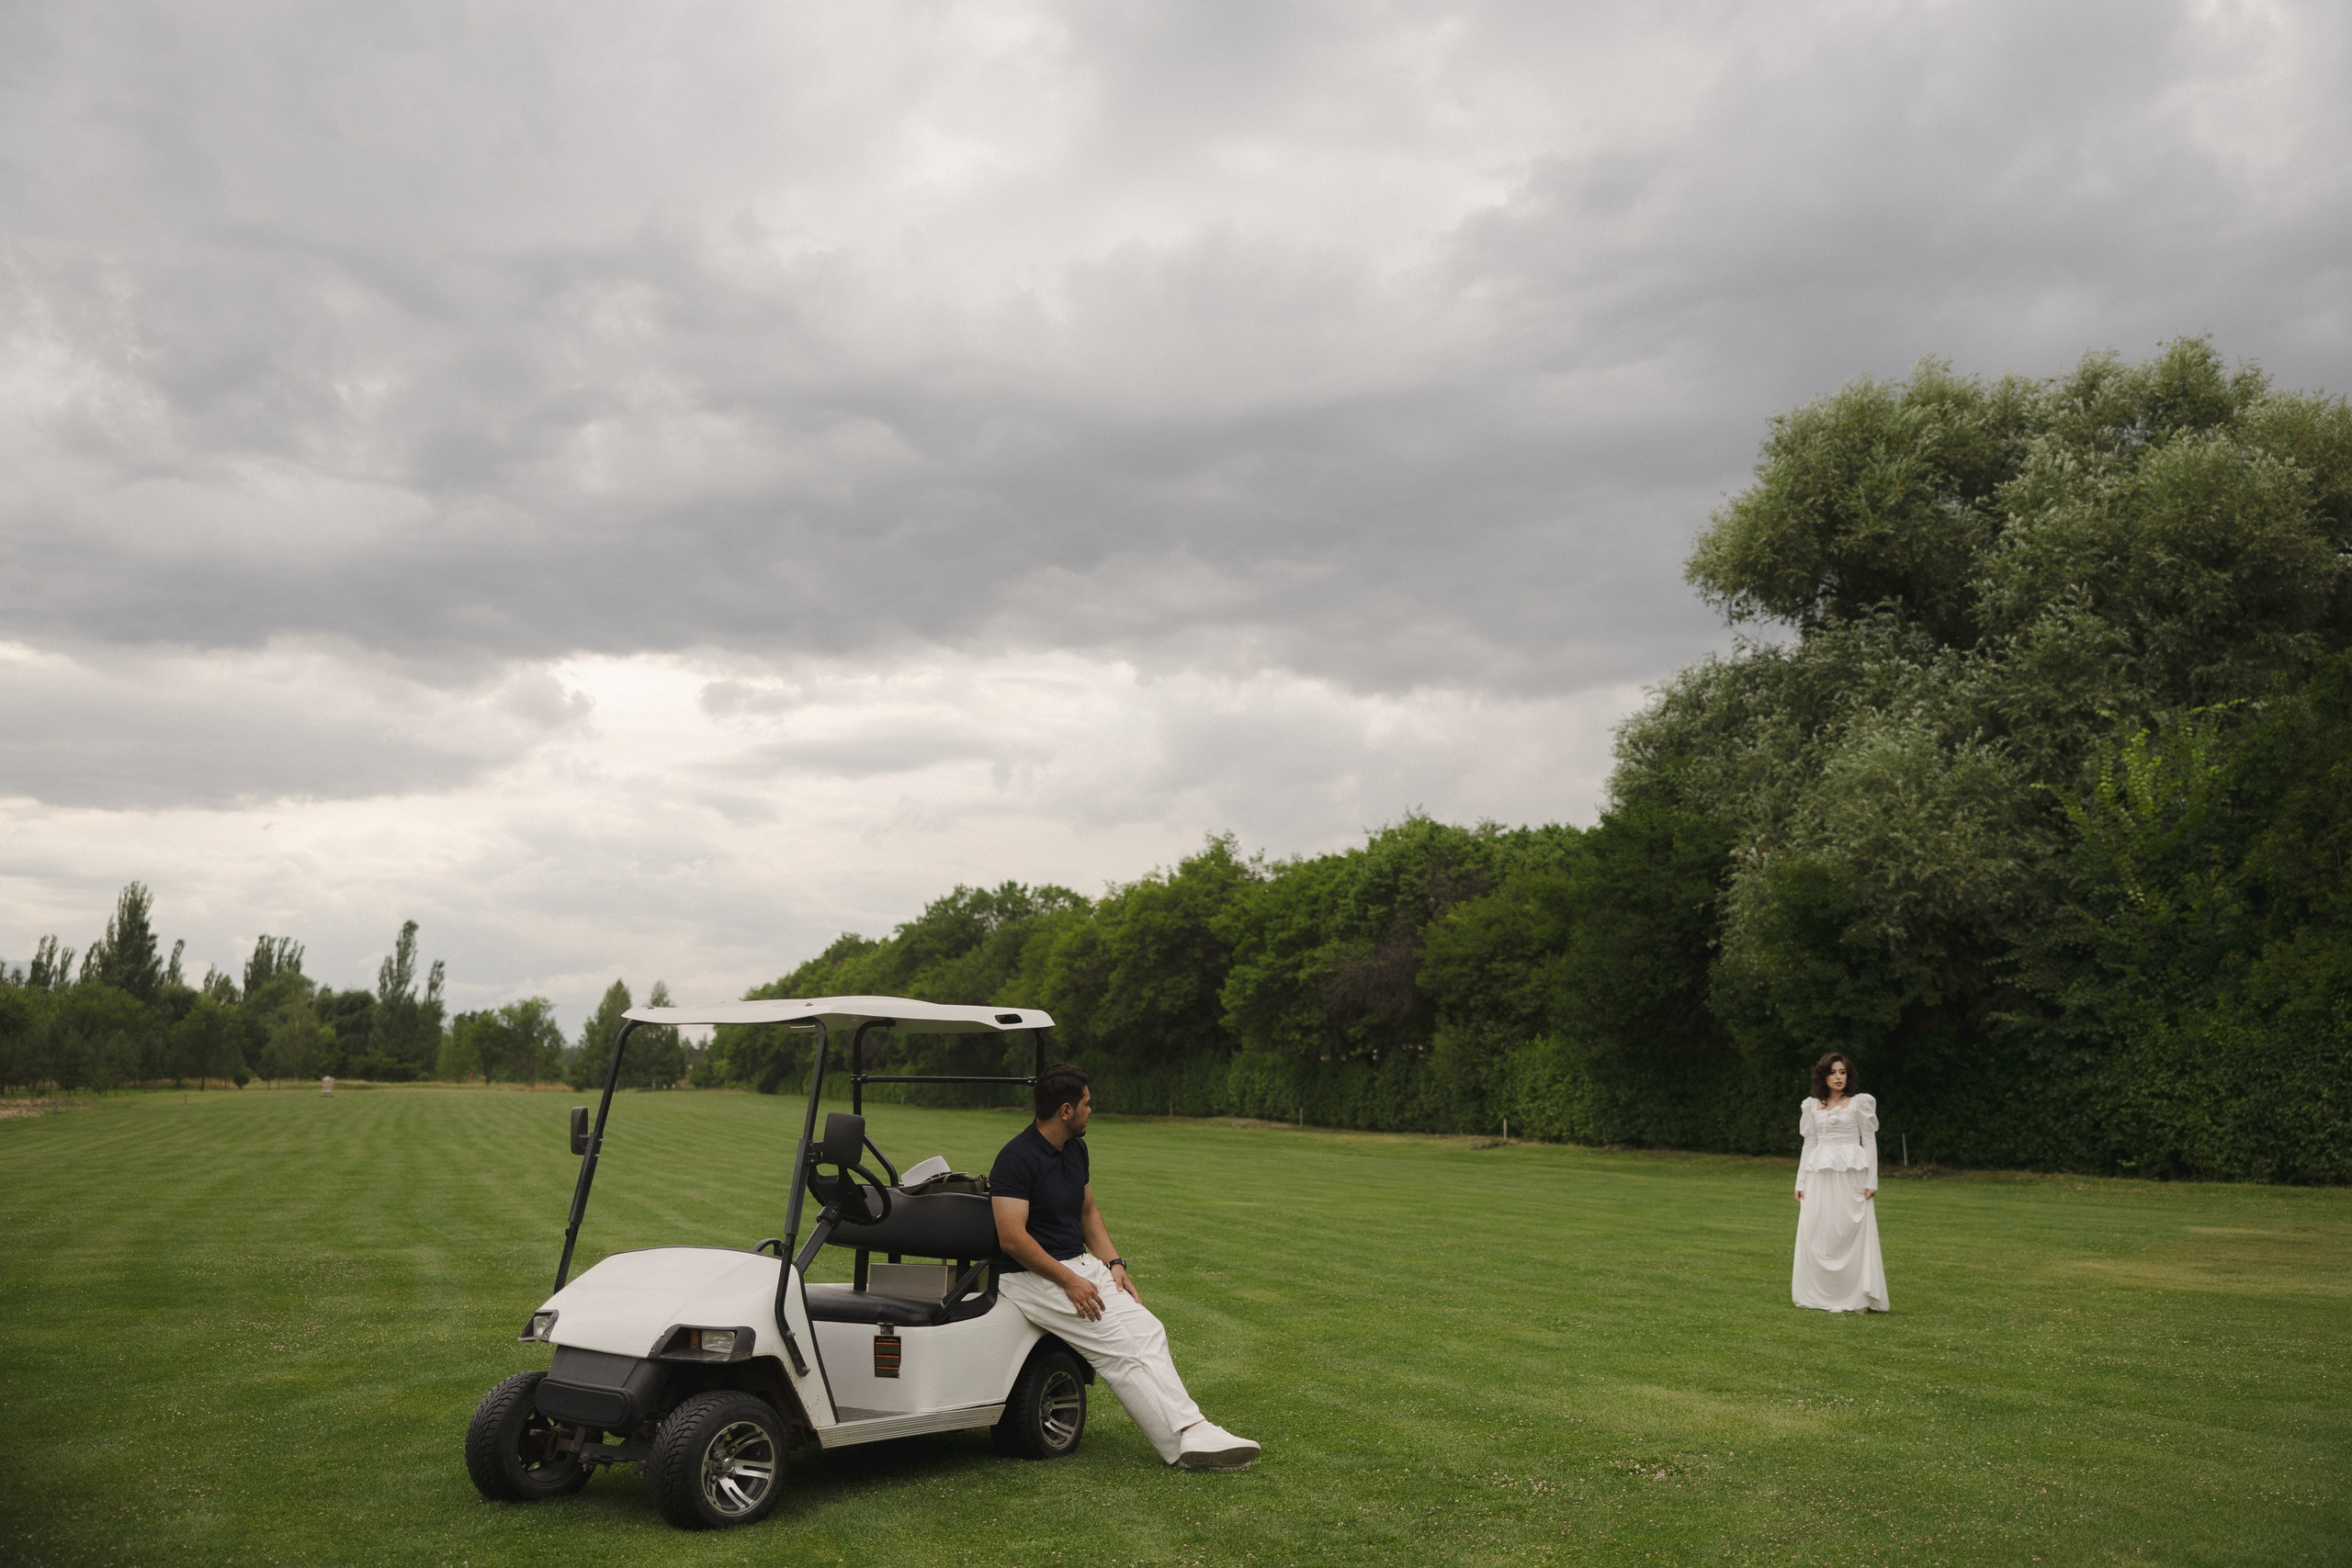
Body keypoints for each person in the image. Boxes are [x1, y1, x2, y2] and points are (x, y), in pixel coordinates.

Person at [990, 1064, 1260, 1469]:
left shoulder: (1076, 1149)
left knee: (1148, 1330)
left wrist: (1113, 1263)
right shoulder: (1016, 1158)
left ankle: (1194, 1428)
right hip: (1033, 1277)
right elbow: (1012, 1238)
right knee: (1119, 1350)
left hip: (1079, 1266)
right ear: (1066, 1111)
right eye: (1086, 1104)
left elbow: (1088, 1211)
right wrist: (1070, 1282)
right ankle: (1181, 1448)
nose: (1090, 1110)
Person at [1792, 1052, 1889, 1314]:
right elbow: (1809, 1143)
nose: (1838, 1077)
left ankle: (1857, 1296)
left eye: (1843, 1072)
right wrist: (1800, 1182)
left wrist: (1872, 1180)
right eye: (1833, 1072)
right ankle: (1824, 1295)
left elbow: (1869, 1141)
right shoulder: (1811, 1106)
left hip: (1851, 1175)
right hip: (1819, 1175)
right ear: (1823, 1075)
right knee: (1821, 1231)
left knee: (1850, 1231)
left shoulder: (1860, 1103)